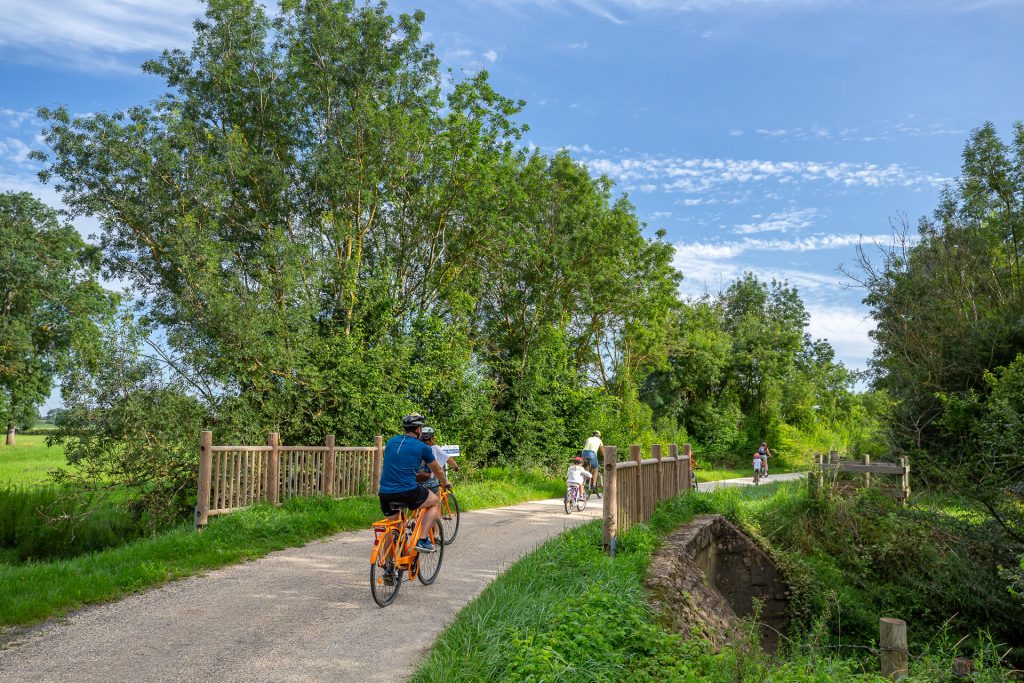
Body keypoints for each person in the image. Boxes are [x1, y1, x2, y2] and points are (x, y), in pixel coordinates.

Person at [378, 413, 451, 553]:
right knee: (435, 501)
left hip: (385, 493)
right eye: (421, 427)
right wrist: (445, 482)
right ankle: (422, 540)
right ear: (418, 429)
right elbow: (438, 471)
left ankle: (389, 568)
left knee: (392, 526)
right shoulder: (423, 447)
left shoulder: (391, 442)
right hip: (407, 491)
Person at [416, 426, 460, 493]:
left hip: (414, 482)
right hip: (429, 481)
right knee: (436, 501)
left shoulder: (415, 448)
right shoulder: (434, 448)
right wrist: (455, 467)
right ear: (431, 438)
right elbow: (448, 459)